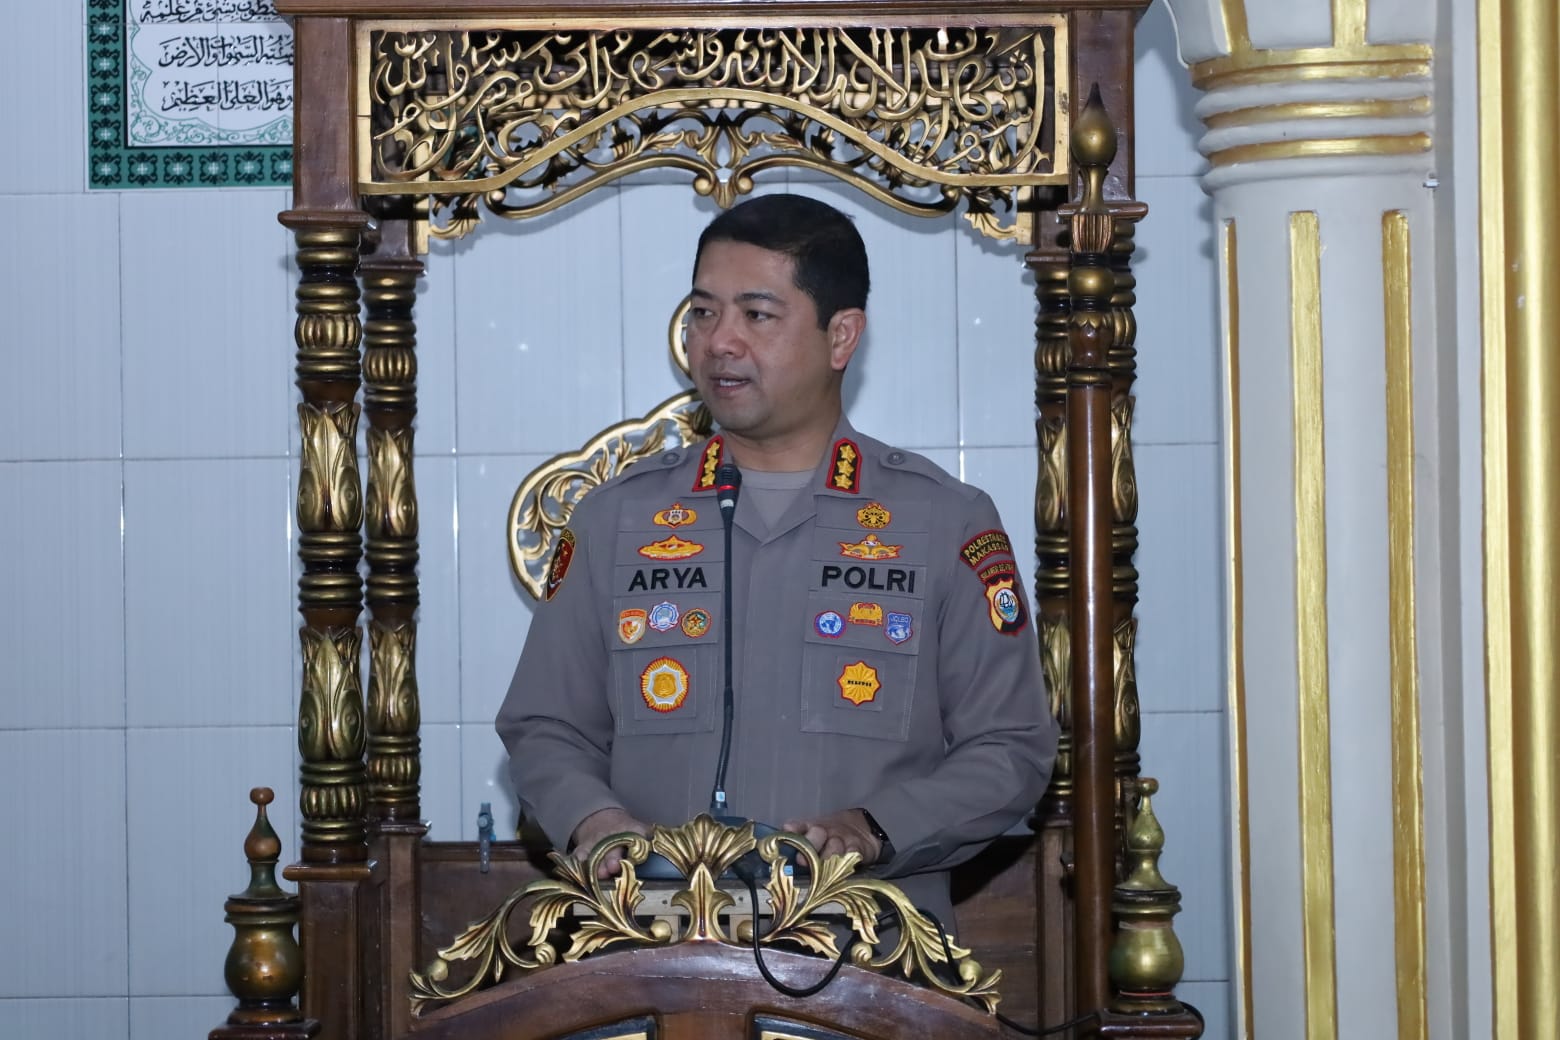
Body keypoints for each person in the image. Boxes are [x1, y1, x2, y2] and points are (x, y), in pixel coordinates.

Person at [496, 193, 1057, 934]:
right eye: (704, 312)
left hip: (868, 947)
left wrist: (875, 828)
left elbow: (1011, 748)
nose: (719, 342)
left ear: (840, 336)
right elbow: (544, 725)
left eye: (756, 315)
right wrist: (593, 820)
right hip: (651, 947)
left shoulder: (943, 522)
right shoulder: (615, 519)